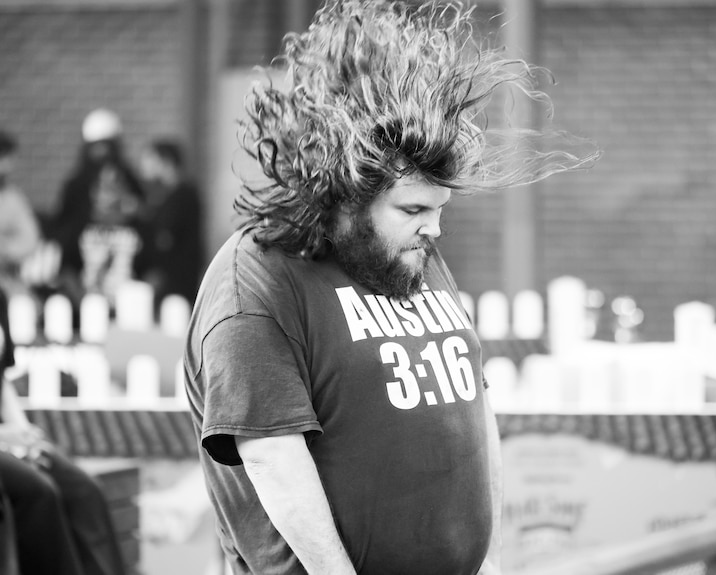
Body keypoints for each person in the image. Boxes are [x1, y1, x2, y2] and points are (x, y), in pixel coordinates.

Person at [184, 1, 597, 574]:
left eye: (440, 207)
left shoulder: (408, 253)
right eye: (413, 208)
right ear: (345, 193)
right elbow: (272, 454)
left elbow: (474, 407)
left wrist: (489, 559)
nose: (435, 225)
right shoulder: (257, 280)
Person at [0, 288, 127, 575]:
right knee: (40, 492)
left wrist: (23, 435)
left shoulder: (1, 297)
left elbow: (2, 381)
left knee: (85, 490)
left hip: (9, 433)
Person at [51, 108, 147, 306]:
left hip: (126, 295)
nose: (101, 153)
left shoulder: (131, 181)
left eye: (106, 146)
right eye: (96, 146)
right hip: (86, 294)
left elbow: (147, 236)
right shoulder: (75, 187)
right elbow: (63, 243)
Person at [138, 138, 204, 305]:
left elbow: (165, 241)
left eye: (149, 159)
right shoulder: (167, 196)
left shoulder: (183, 196)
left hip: (176, 287)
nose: (144, 165)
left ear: (165, 161)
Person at [0, 131, 41, 296]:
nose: (9, 167)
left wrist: (5, 248)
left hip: (7, 283)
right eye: (4, 159)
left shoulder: (13, 198)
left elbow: (30, 239)